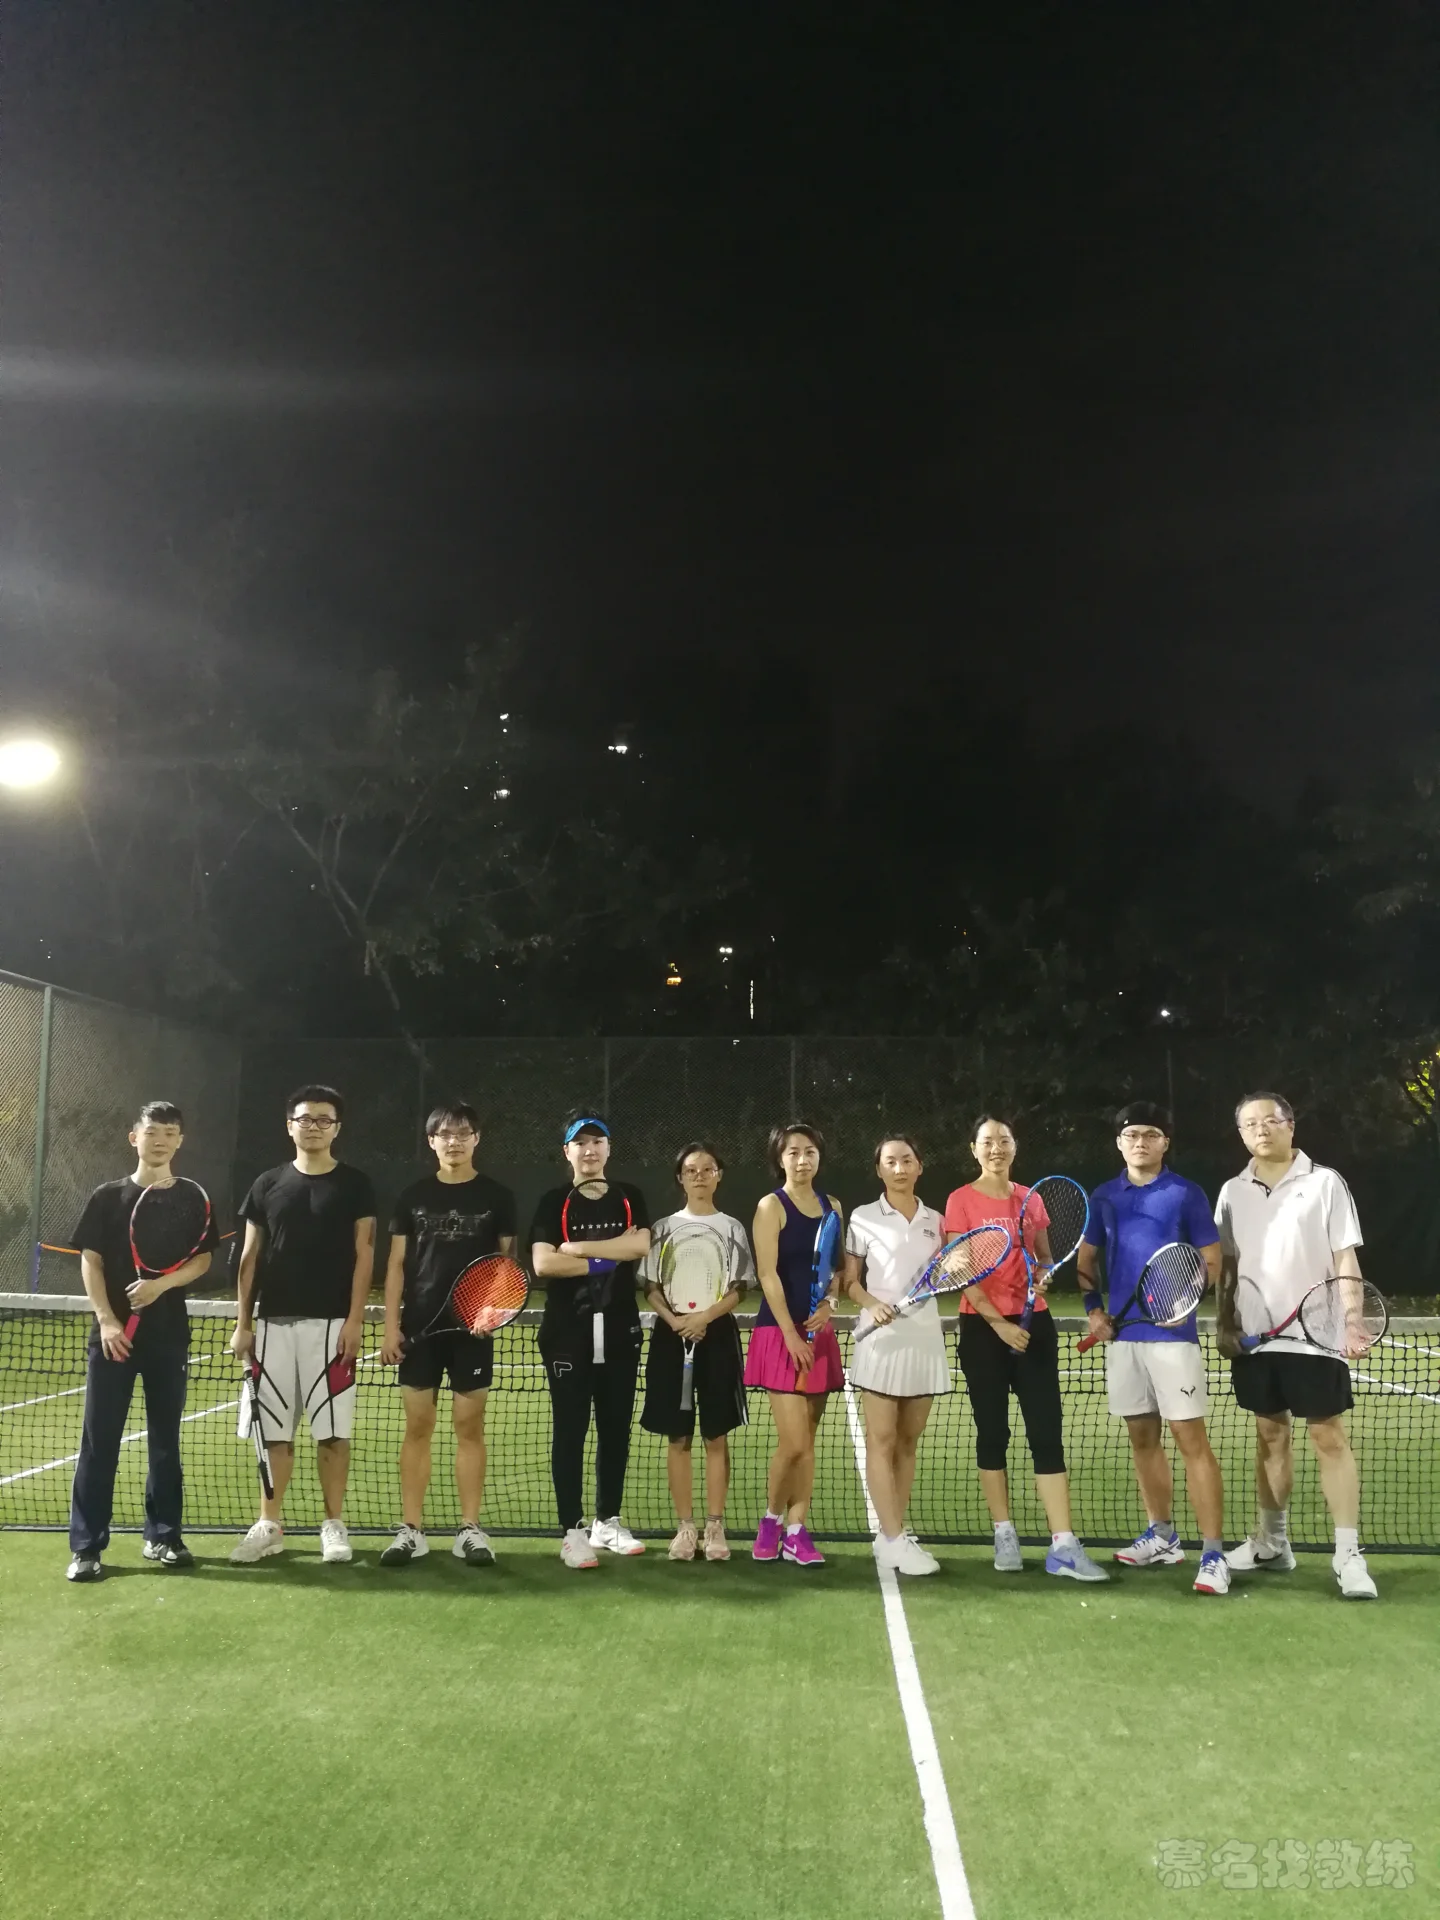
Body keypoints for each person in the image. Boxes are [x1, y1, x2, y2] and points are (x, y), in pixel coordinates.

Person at [1216, 1092, 1377, 1601]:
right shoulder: (1231, 1191)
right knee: (1270, 1435)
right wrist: (1225, 1324)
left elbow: (1345, 1257)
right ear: (1241, 1134)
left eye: (1270, 1120)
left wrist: (1352, 1320)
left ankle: (1348, 1555)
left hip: (1316, 1335)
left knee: (1329, 1438)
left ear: (1290, 1125)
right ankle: (1272, 1543)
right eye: (1250, 1124)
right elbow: (1227, 1267)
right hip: (1257, 1338)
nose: (1261, 1130)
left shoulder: (1326, 1183)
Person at [942, 1115, 1108, 1582]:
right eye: (987, 1141)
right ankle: (1004, 1533)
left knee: (1046, 1433)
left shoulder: (1031, 1199)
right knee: (992, 1433)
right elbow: (963, 1272)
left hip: (1035, 1326)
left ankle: (1063, 1545)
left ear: (1015, 1147)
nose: (996, 1148)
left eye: (1004, 1140)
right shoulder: (959, 1201)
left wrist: (1044, 1272)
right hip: (983, 1330)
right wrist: (998, 1325)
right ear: (974, 1149)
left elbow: (1044, 1256)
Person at [1077, 1101, 1229, 1595]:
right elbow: (1087, 1260)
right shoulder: (1104, 1196)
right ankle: (1163, 1536)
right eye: (1131, 1135)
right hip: (1124, 1340)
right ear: (1119, 1143)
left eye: (1150, 1134)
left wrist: (1187, 1300)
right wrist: (1094, 1311)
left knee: (1191, 1441)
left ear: (1165, 1143)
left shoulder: (1186, 1193)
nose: (1140, 1142)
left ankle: (1213, 1554)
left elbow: (1210, 1260)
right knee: (1142, 1439)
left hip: (1172, 1338)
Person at [65, 1101, 218, 1582]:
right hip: (113, 1341)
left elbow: (202, 1260)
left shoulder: (191, 1200)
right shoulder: (107, 1197)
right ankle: (87, 1547)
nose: (161, 1140)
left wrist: (160, 1286)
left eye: (170, 1132)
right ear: (135, 1137)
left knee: (165, 1442)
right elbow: (91, 1260)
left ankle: (164, 1536)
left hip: (168, 1339)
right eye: (153, 1131)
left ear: (180, 1141)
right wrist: (108, 1321)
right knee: (99, 1443)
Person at [229, 1085, 376, 1566]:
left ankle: (333, 1525)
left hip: (332, 1328)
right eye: (305, 1118)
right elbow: (250, 1257)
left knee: (332, 1434)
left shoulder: (355, 1185)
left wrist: (354, 1320)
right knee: (275, 1434)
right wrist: (243, 1323)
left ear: (337, 1128)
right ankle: (269, 1524)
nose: (314, 1126)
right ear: (289, 1125)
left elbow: (364, 1254)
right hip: (272, 1326)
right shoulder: (266, 1183)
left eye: (324, 1120)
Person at [378, 1101, 517, 1567]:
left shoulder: (498, 1196)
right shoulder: (412, 1196)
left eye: (462, 1133)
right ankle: (411, 1530)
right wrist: (392, 1328)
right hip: (419, 1330)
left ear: (476, 1139)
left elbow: (506, 1264)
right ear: (431, 1141)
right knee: (417, 1426)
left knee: (468, 1428)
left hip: (473, 1331)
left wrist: (492, 1307)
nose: (453, 1141)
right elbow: (396, 1264)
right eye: (444, 1134)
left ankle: (470, 1529)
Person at [530, 1112, 652, 1569]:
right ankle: (572, 1531)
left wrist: (580, 1250)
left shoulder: (629, 1196)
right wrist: (607, 1258)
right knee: (570, 1430)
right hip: (568, 1331)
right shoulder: (551, 1202)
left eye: (597, 1141)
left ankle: (607, 1521)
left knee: (616, 1429)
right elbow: (544, 1264)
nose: (589, 1149)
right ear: (567, 1152)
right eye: (580, 1142)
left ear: (608, 1148)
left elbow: (640, 1246)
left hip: (620, 1329)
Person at [639, 1140, 752, 1562]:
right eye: (691, 1170)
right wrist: (675, 1322)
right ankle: (686, 1528)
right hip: (671, 1336)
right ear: (680, 1178)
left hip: (716, 1335)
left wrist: (704, 1317)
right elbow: (651, 1287)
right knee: (679, 1436)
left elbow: (739, 1288)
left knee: (715, 1434)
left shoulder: (733, 1228)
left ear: (719, 1176)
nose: (699, 1176)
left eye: (707, 1169)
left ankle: (715, 1527)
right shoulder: (662, 1228)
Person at [843, 1135, 949, 1576]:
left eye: (907, 1160)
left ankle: (895, 1534)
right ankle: (891, 1538)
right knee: (881, 1440)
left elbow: (945, 1273)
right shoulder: (863, 1217)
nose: (900, 1168)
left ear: (920, 1166)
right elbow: (849, 1282)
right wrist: (872, 1303)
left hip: (924, 1339)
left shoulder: (937, 1221)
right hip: (880, 1340)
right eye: (891, 1162)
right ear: (879, 1170)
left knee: (908, 1442)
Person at [744, 1121, 845, 1567]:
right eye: (793, 1152)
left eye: (810, 1152)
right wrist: (790, 1334)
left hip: (818, 1333)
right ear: (779, 1159)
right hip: (780, 1334)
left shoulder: (832, 1206)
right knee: (794, 1442)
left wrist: (831, 1303)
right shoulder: (771, 1206)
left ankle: (796, 1530)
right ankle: (771, 1520)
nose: (802, 1160)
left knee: (809, 1440)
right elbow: (767, 1274)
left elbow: (836, 1268)